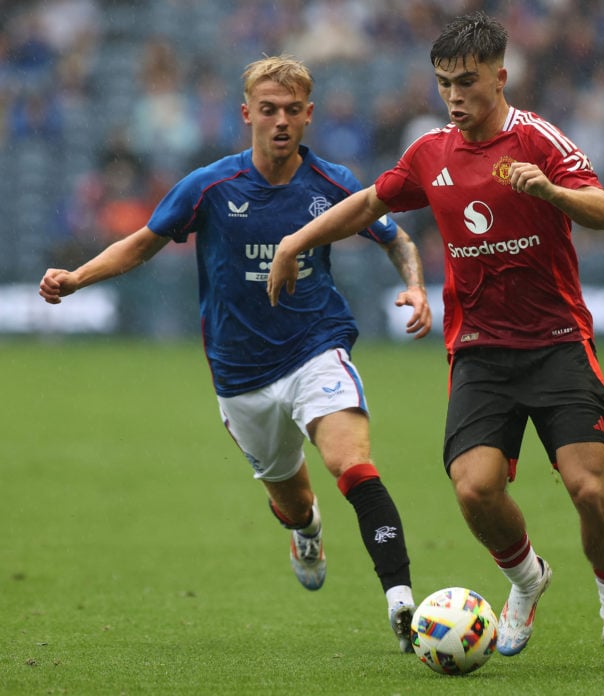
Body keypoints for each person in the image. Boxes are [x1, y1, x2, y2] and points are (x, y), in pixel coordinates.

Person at [267, 12, 604, 671]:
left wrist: (551, 190)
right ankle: (528, 580)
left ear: (500, 77)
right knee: (474, 489)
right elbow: (367, 205)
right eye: (444, 83)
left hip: (557, 340)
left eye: (466, 82)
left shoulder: (538, 140)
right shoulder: (430, 154)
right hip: (479, 348)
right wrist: (297, 241)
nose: (453, 95)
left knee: (587, 488)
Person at [39, 55, 433, 653]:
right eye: (268, 110)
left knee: (351, 464)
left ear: (308, 117)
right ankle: (305, 532)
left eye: (292, 111)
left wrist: (415, 283)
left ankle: (403, 602)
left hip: (316, 347)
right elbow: (144, 243)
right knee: (294, 500)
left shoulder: (333, 185)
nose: (280, 121)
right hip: (240, 372)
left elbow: (395, 236)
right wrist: (76, 278)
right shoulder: (210, 187)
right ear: (247, 114)